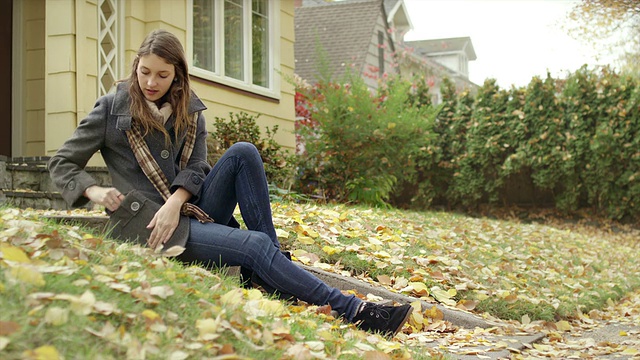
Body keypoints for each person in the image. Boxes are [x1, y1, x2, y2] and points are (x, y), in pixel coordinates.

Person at [48, 29, 412, 337]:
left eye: (161, 75)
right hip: (149, 225)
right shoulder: (112, 108)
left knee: (243, 152)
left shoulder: (190, 110)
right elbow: (62, 161)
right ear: (136, 67)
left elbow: (197, 166)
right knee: (254, 245)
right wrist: (93, 190)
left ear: (177, 74)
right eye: (144, 72)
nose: (150, 83)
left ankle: (268, 276)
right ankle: (358, 312)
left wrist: (176, 202)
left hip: (186, 208)